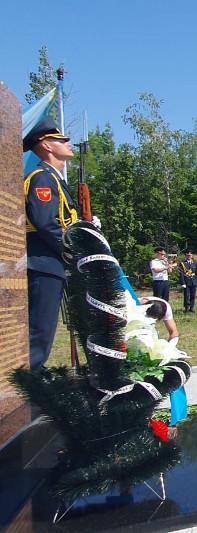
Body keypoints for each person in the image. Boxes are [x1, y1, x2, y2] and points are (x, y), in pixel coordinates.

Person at [23, 116, 79, 371]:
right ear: (46, 145)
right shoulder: (42, 178)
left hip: (52, 263)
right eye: (61, 139)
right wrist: (72, 252)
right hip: (44, 263)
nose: (68, 143)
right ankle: (24, 393)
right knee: (39, 332)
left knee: (44, 331)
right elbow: (46, 223)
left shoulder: (54, 177)